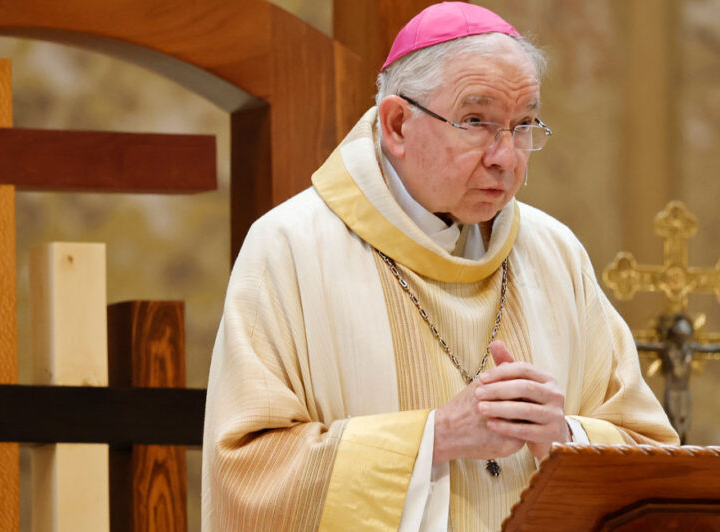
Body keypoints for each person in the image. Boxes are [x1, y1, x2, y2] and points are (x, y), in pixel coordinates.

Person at [201, 2, 679, 530]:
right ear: (398, 124)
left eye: (523, 126)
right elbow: (246, 473)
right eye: (477, 122)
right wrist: (436, 437)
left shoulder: (554, 253)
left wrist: (564, 438)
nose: (506, 156)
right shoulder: (291, 247)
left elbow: (648, 452)